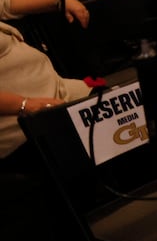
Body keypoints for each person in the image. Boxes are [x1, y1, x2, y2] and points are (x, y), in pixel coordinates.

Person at [0, 22, 92, 165]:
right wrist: (25, 105)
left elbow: (4, 5)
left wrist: (59, 0)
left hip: (58, 90)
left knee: (123, 101)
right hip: (21, 119)